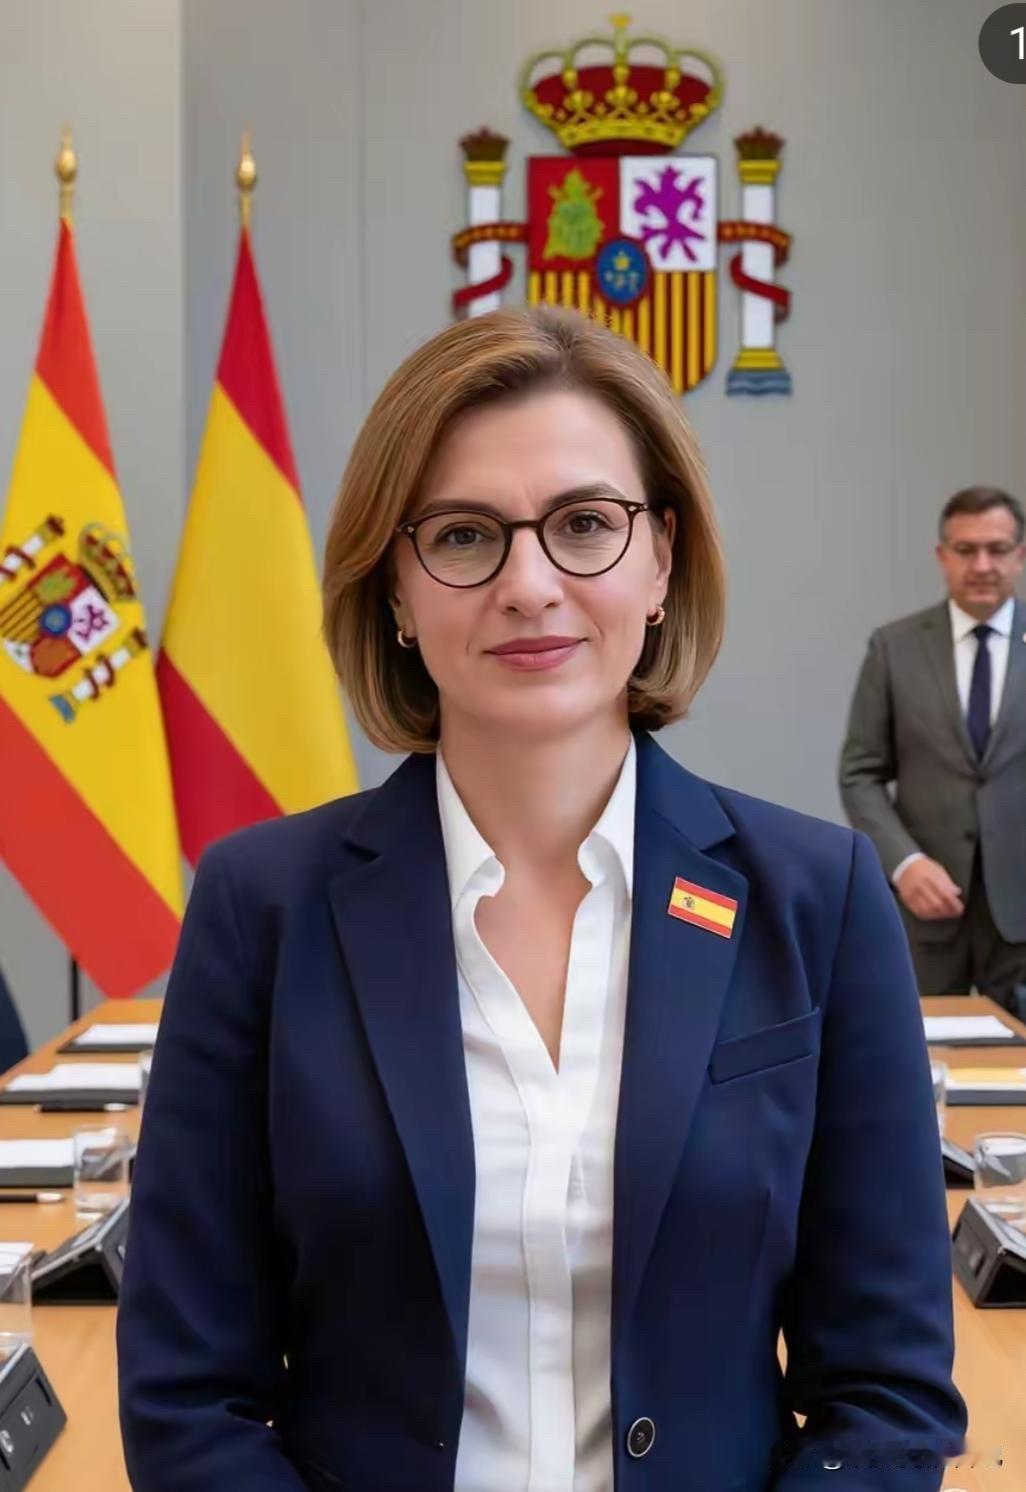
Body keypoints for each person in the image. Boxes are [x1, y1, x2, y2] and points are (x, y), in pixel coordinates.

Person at [118, 307, 964, 1491]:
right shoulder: (261, 907)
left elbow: (887, 1394)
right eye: (464, 535)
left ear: (661, 562)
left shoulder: (818, 901)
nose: (529, 585)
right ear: (396, 589)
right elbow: (185, 1395)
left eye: (585, 525)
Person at [839, 487, 1026, 1008]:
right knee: (919, 1052)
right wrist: (904, 864)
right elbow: (860, 773)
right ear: (942, 556)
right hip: (926, 913)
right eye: (966, 550)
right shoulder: (894, 647)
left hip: (1021, 920)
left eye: (997, 549)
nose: (982, 565)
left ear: (1020, 555)